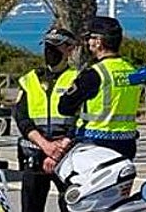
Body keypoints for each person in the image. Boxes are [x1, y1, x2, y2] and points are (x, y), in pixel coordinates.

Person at [13, 26, 78, 212]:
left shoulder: (78, 78)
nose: (50, 51)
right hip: (34, 153)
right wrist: (44, 145)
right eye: (47, 46)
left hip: (66, 154)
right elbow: (21, 117)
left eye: (56, 46)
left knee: (72, 210)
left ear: (70, 49)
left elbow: (81, 118)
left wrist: (58, 150)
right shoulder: (30, 79)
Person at [56, 15, 139, 165]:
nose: (88, 43)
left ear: (99, 42)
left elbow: (65, 106)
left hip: (95, 143)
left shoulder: (94, 74)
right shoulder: (132, 71)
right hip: (127, 143)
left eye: (90, 38)